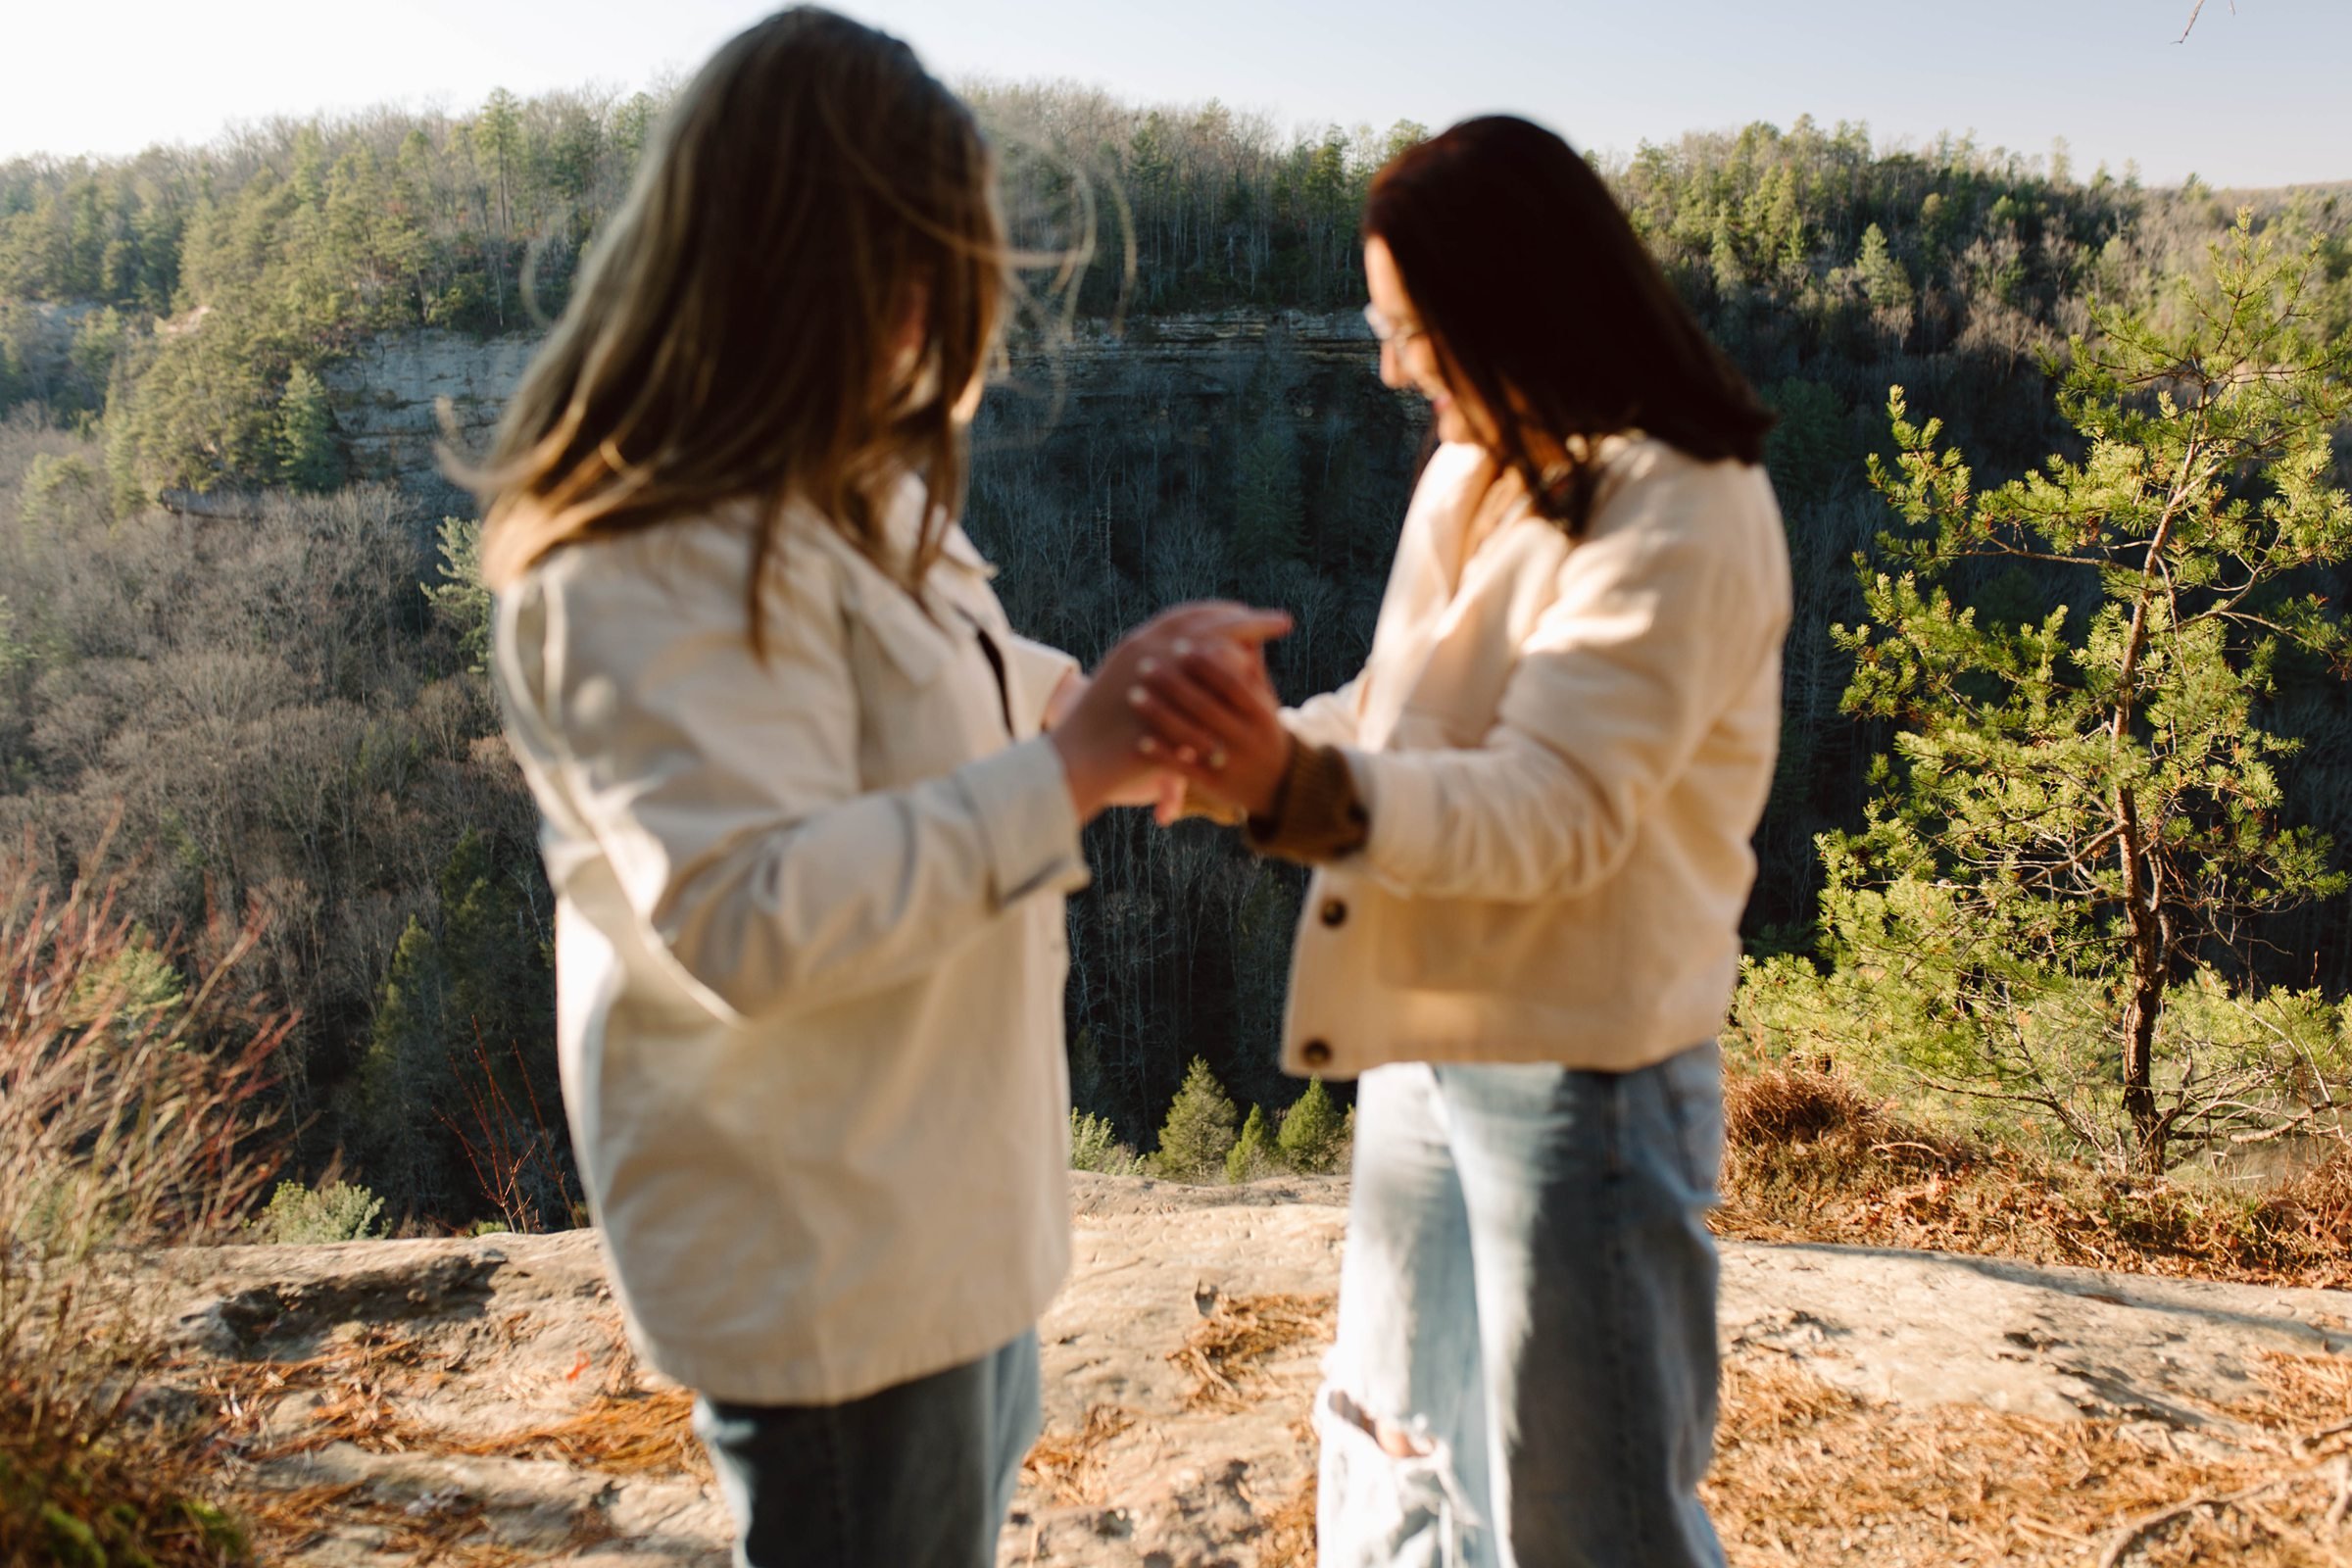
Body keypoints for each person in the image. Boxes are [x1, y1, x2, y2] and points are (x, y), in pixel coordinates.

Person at [468, 11, 1285, 1565]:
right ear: (790, 259)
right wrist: (1070, 765)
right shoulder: (636, 550)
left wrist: (1106, 702)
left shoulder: (849, 487)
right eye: (909, 264)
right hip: (823, 1255)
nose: (933, 314)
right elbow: (747, 917)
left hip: (933, 1224)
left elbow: (942, 681)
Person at [1133, 116, 1791, 1568]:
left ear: (1515, 306)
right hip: (1434, 1041)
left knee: (1587, 1508)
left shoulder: (1685, 502)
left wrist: (1285, 788)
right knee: (1394, 1452)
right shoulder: (1475, 473)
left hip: (1588, 1084)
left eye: (1414, 330)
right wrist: (1210, 752)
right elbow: (1390, 717)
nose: (1390, 367)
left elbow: (1554, 807)